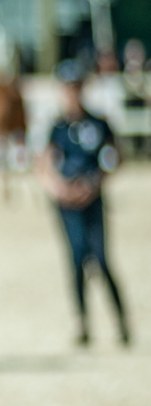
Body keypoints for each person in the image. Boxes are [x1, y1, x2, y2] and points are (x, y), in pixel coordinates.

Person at [36, 59, 130, 346]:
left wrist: (96, 182)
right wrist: (58, 188)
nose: (72, 93)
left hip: (91, 198)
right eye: (67, 87)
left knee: (101, 259)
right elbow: (44, 163)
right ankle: (83, 323)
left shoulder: (98, 124)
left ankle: (121, 321)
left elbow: (117, 156)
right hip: (66, 203)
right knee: (76, 259)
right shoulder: (57, 127)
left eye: (76, 87)